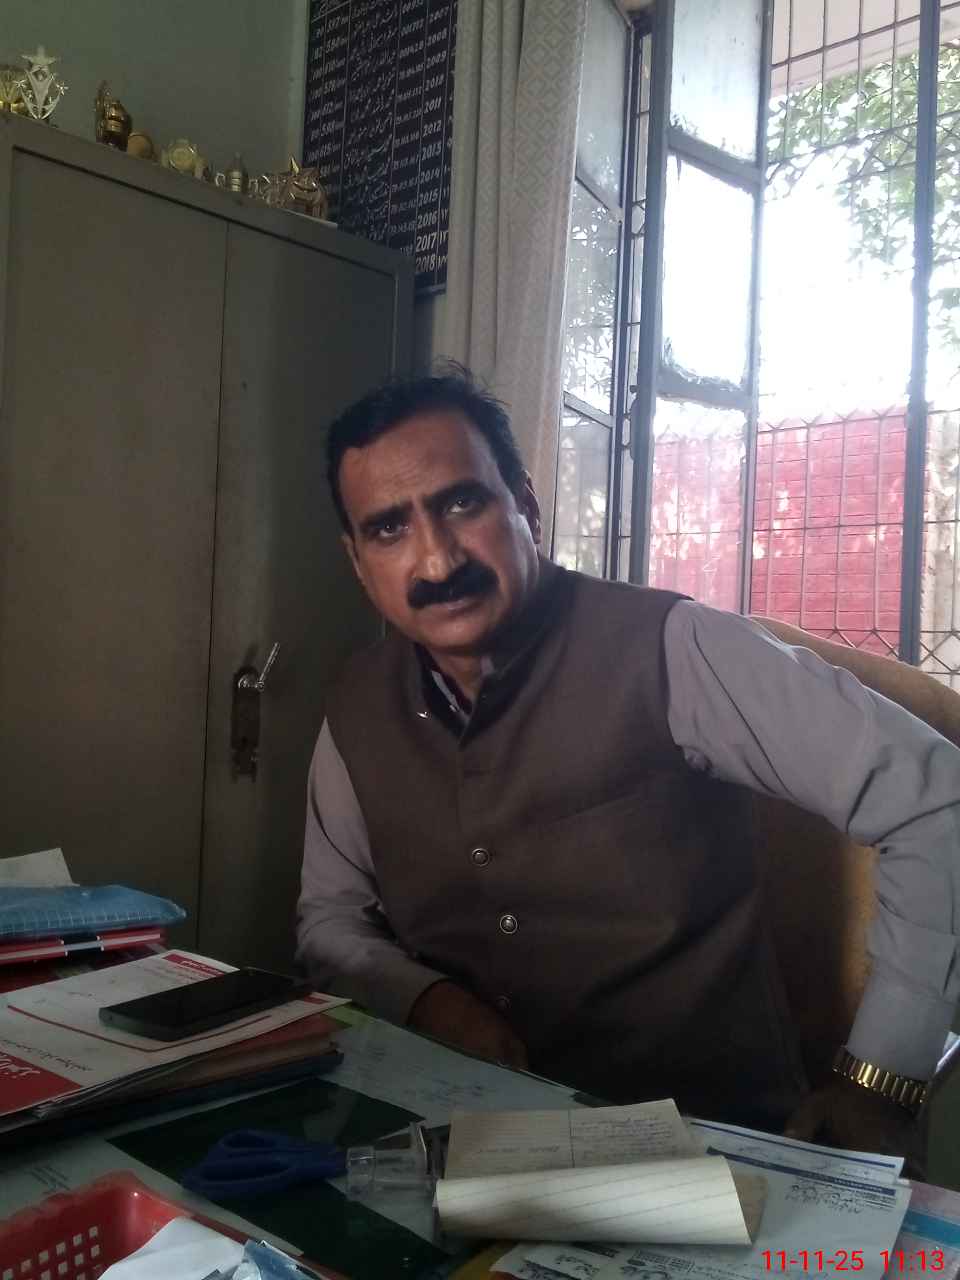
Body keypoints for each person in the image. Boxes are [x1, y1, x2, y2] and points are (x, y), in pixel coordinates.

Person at [296, 368, 960, 1154]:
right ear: (357, 562)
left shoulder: (674, 649)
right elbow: (331, 921)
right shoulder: (357, 705)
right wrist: (428, 1000)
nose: (437, 562)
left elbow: (937, 799)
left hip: (706, 1149)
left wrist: (880, 1079)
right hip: (454, 1138)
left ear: (525, 507)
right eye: (388, 530)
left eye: (462, 504)